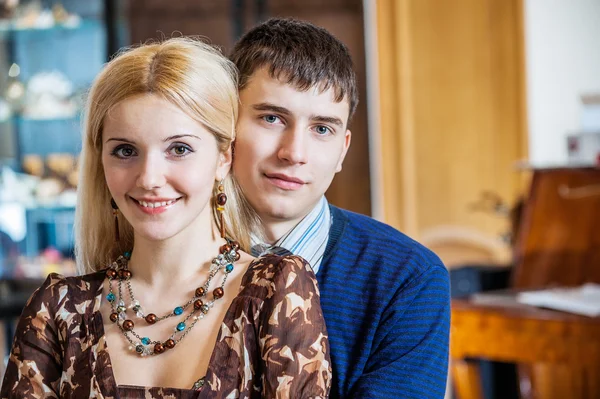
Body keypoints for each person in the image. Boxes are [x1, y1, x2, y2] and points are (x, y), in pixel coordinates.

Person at [0, 37, 331, 398]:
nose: (149, 179)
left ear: (224, 158)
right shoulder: (58, 309)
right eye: (125, 151)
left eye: (179, 149)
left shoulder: (274, 292)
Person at [230, 18, 451, 398]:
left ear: (342, 151)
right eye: (271, 118)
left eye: (322, 129)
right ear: (225, 125)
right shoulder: (163, 257)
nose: (294, 153)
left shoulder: (408, 280)